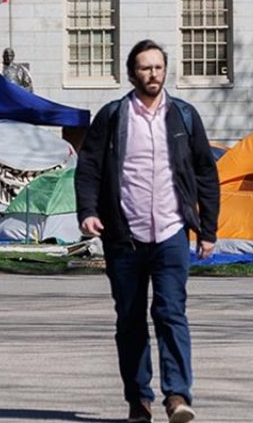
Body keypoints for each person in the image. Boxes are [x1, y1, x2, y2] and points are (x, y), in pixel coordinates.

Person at [74, 39, 220, 423]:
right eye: (145, 68)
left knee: (171, 313)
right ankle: (139, 400)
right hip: (125, 236)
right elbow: (89, 167)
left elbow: (206, 173)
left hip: (172, 232)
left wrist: (208, 230)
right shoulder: (113, 116)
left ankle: (177, 396)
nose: (153, 74)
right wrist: (88, 212)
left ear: (165, 70)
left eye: (158, 67)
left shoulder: (184, 116)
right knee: (130, 320)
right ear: (132, 73)